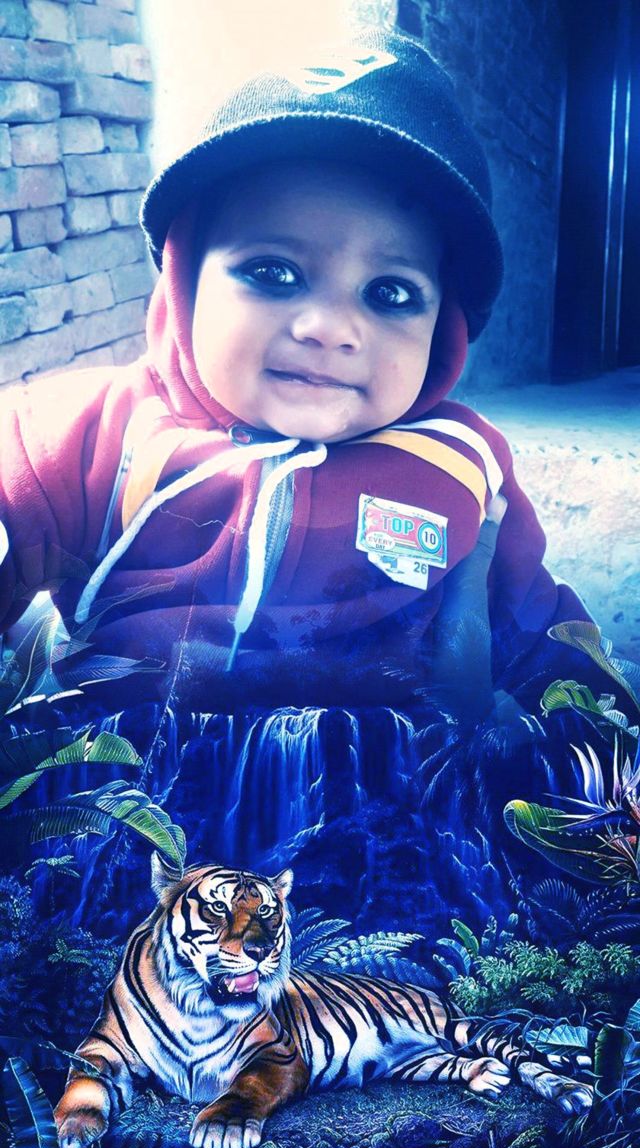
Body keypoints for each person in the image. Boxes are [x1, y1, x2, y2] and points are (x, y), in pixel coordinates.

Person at [0, 25, 632, 724]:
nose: (330, 327)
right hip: (123, 769)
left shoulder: (462, 467)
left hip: (384, 773)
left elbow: (548, 640)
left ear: (443, 330)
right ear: (184, 281)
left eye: (389, 292)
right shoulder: (95, 438)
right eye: (274, 272)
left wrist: (596, 733)